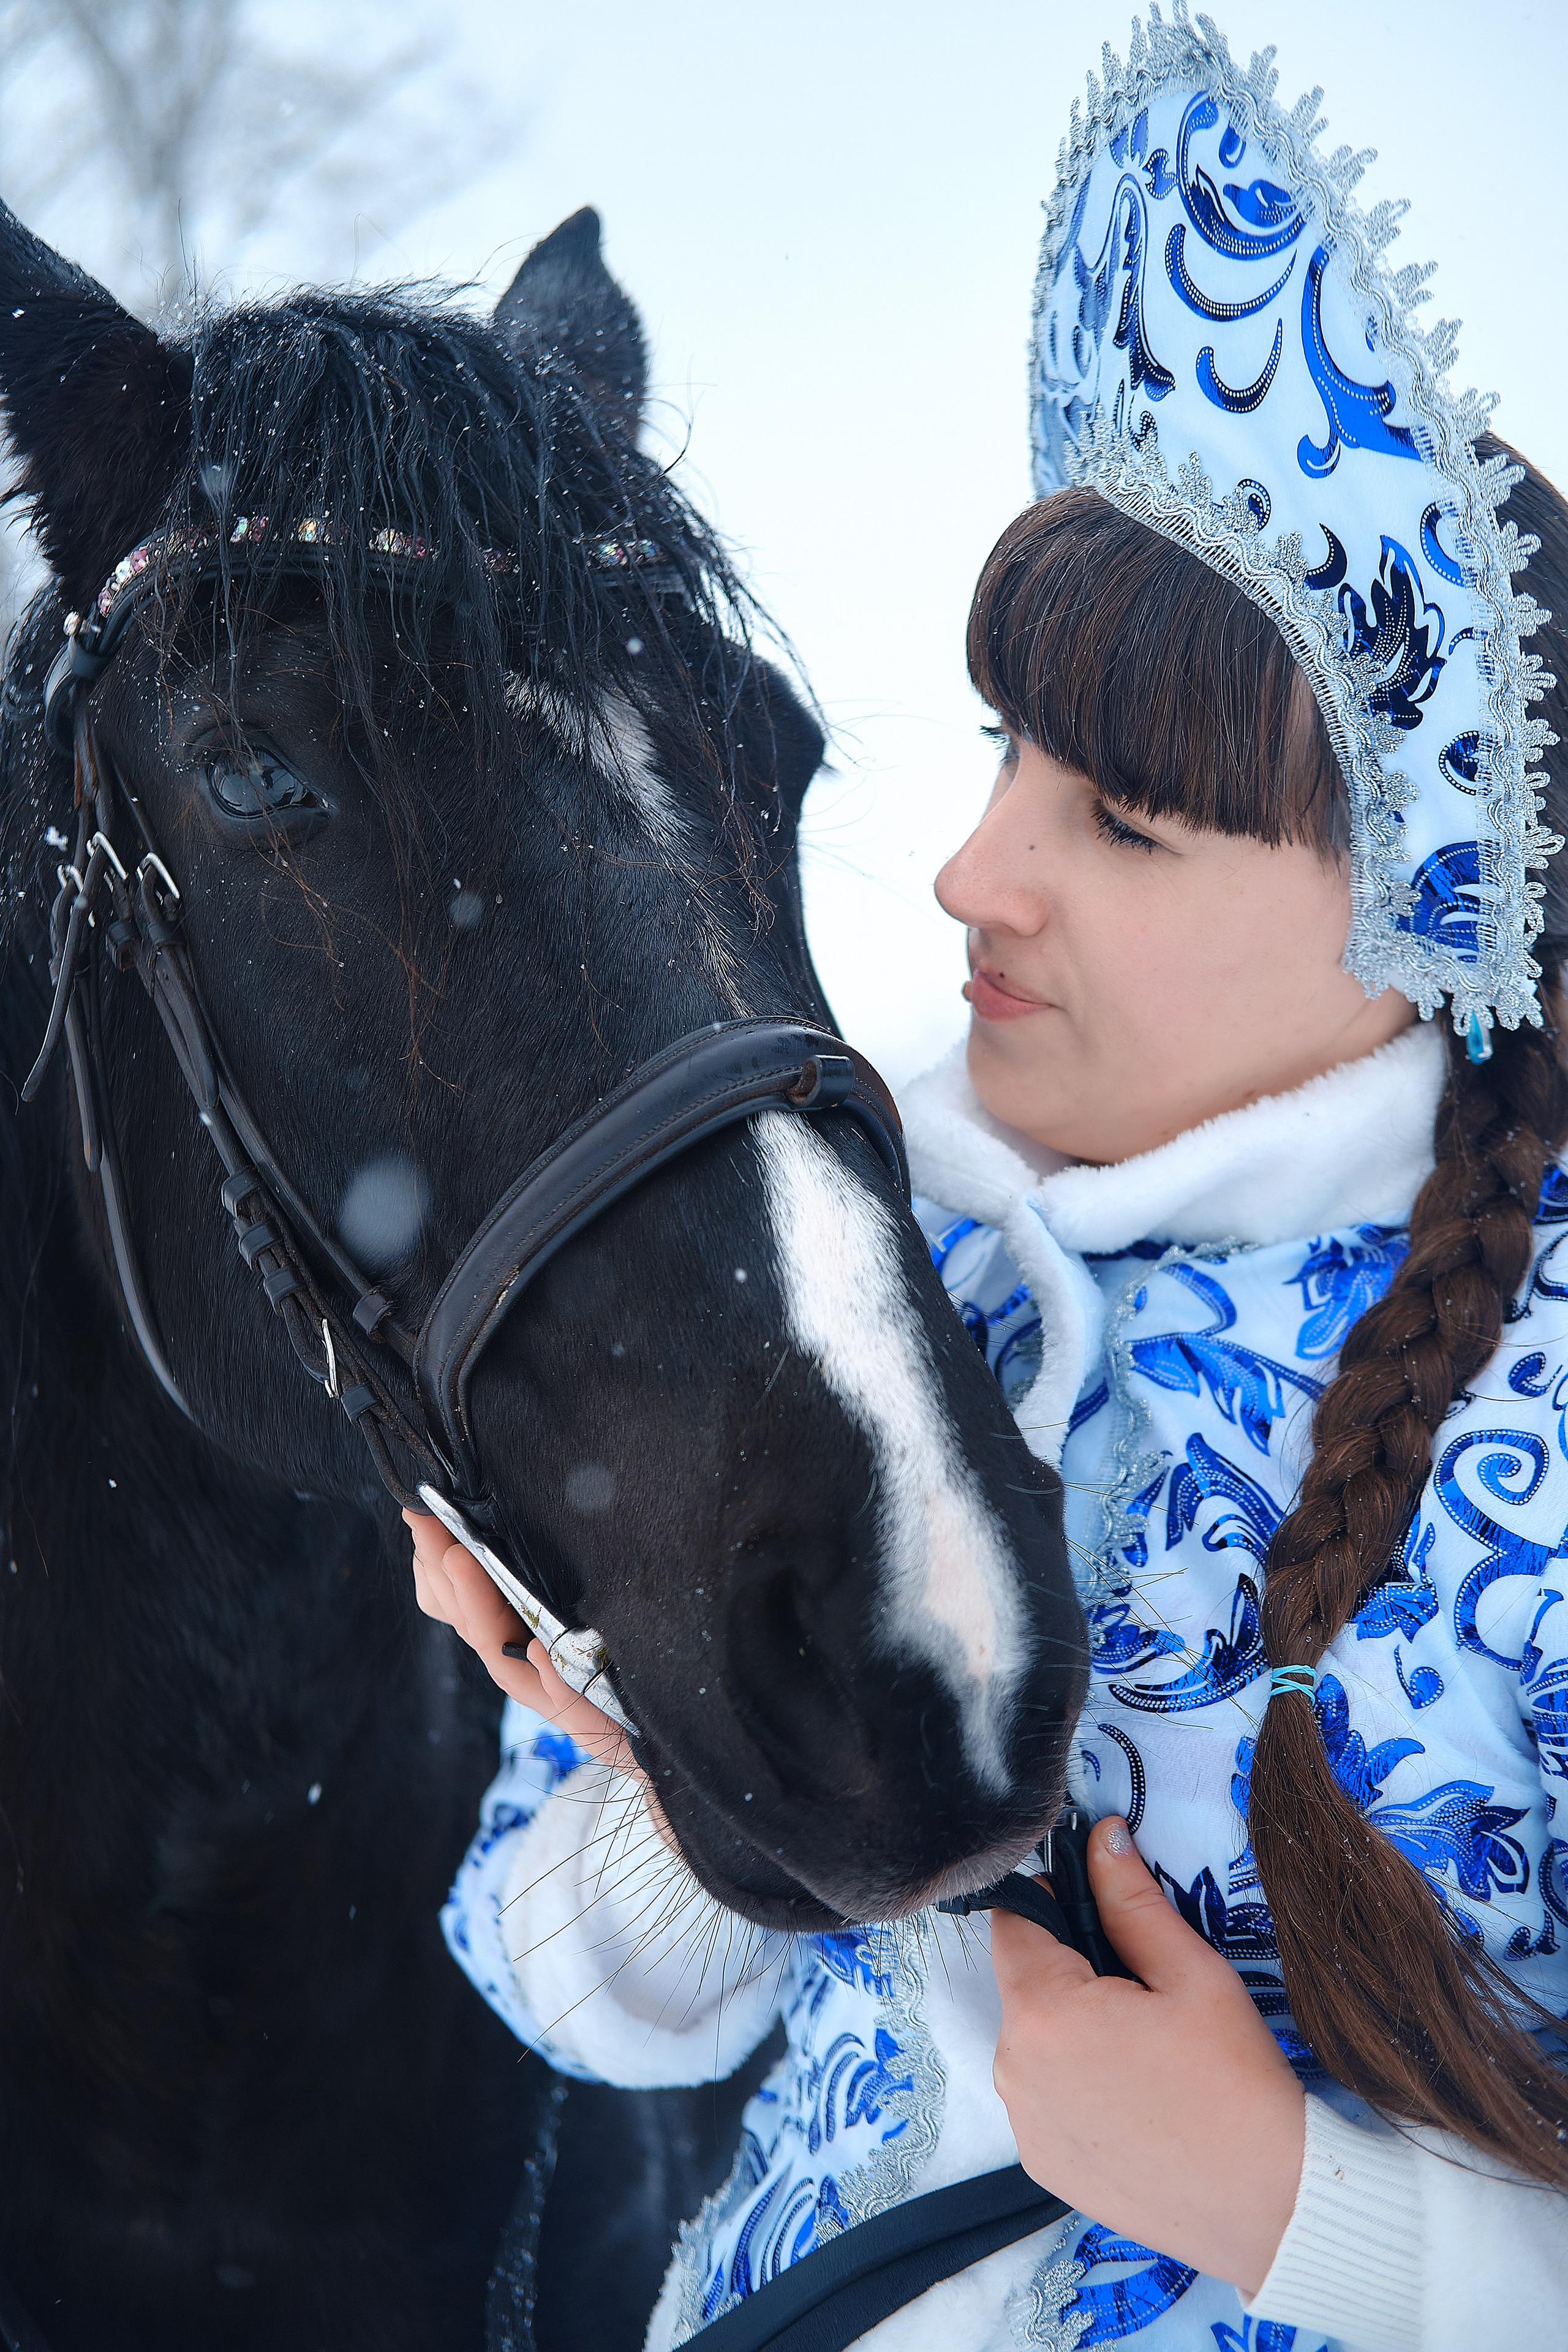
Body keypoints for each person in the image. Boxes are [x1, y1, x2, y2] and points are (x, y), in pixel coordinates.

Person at [411, 12, 1568, 2347]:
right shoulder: (872, 1275)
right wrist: (646, 1755)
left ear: (1424, 922)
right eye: (999, 753)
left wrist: (1285, 2210)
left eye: (1120, 820)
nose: (965, 875)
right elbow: (617, 2013)